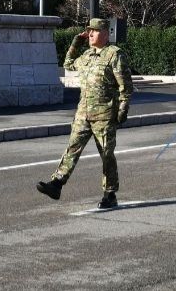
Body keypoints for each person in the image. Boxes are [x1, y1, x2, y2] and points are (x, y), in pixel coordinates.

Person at [37, 18, 134, 209]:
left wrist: (123, 110)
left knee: (106, 154)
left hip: (104, 114)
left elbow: (126, 86)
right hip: (83, 112)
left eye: (94, 31)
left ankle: (110, 193)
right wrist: (76, 41)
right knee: (72, 147)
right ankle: (57, 184)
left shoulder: (114, 55)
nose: (90, 34)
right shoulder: (87, 55)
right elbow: (68, 63)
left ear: (105, 34)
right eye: (89, 31)